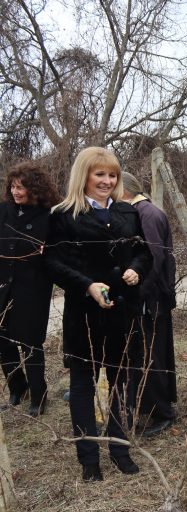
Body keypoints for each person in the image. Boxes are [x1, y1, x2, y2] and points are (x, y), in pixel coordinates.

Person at [45, 147, 152, 482]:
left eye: (112, 175)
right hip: (85, 315)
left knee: (121, 382)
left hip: (123, 313)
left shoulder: (127, 212)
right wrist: (87, 285)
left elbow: (143, 251)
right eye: (100, 174)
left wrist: (136, 269)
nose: (107, 181)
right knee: (83, 385)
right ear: (84, 176)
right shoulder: (63, 215)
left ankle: (120, 449)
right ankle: (89, 458)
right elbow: (52, 262)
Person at [0, 162, 60, 416]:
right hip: (3, 286)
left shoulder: (49, 216)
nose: (16, 192)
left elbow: (57, 252)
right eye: (13, 187)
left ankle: (39, 394)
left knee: (30, 342)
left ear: (34, 189)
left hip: (33, 288)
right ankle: (17, 388)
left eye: (21, 187)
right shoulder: (3, 211)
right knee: (3, 340)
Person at [121, 172, 177, 437]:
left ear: (124, 189)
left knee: (151, 355)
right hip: (144, 297)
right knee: (142, 353)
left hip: (150, 298)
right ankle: (145, 405)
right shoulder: (137, 211)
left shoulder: (148, 214)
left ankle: (163, 412)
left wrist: (139, 293)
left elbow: (154, 259)